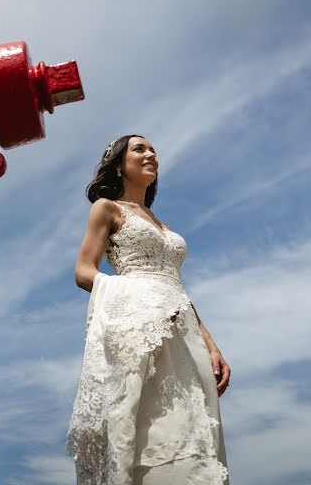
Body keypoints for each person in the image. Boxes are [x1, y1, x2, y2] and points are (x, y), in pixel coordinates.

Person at [66, 136, 229, 484]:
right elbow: (84, 271)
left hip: (183, 329)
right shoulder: (107, 208)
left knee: (197, 424)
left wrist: (212, 345)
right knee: (150, 423)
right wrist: (139, 297)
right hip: (140, 325)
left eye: (153, 149)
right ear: (118, 163)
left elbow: (176, 287)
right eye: (139, 148)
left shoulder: (164, 226)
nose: (151, 154)